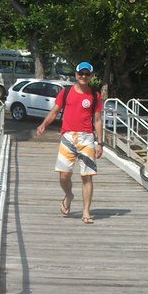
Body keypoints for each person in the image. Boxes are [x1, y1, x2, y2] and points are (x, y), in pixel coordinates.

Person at [35, 61, 104, 224]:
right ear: (76, 75)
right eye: (81, 73)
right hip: (67, 137)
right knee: (64, 175)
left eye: (87, 74)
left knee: (87, 176)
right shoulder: (66, 92)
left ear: (91, 76)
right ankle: (69, 195)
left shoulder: (95, 95)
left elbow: (98, 120)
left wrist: (100, 143)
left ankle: (86, 212)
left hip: (87, 138)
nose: (84, 77)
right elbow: (54, 111)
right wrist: (43, 124)